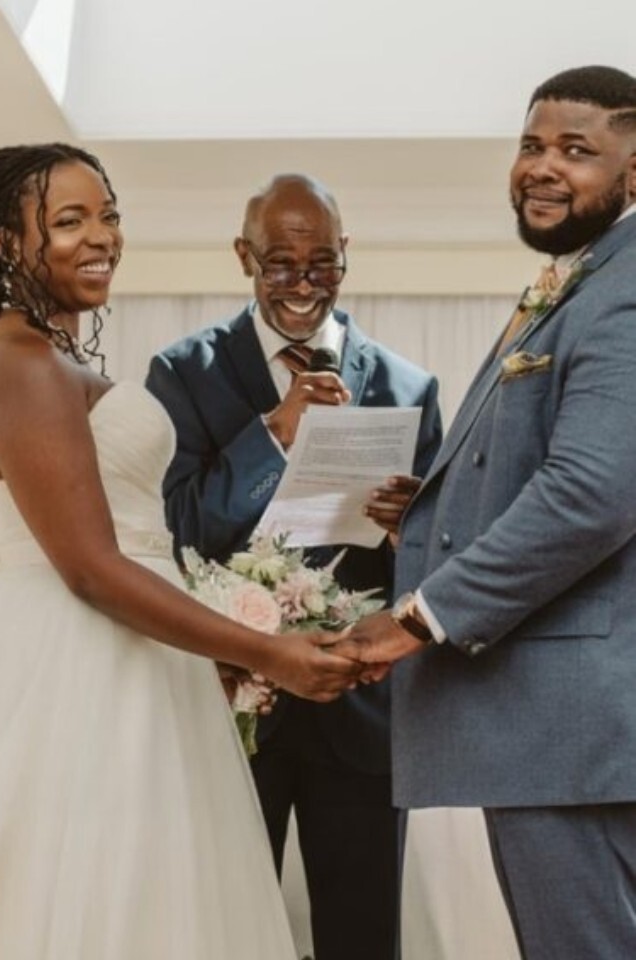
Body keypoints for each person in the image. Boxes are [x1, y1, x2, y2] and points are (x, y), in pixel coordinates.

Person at [0, 143, 365, 959]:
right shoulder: (16, 360)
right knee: (93, 890)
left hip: (140, 653)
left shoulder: (58, 357)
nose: (102, 238)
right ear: (8, 243)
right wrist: (267, 649)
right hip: (75, 656)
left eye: (109, 216)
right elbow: (88, 564)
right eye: (70, 220)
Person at [340, 65, 636, 959]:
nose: (543, 167)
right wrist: (427, 518)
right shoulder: (578, 280)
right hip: (563, 726)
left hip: (570, 726)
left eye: (576, 151)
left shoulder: (622, 290)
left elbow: (591, 495)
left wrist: (417, 618)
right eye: (531, 144)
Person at [146, 173, 442, 960]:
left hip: (363, 710)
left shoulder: (411, 385)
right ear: (244, 255)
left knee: (364, 935)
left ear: (347, 255)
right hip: (236, 704)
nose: (304, 286)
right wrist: (274, 431)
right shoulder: (183, 374)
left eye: (324, 265)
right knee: (222, 928)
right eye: (281, 264)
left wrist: (417, 520)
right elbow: (175, 529)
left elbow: (439, 558)